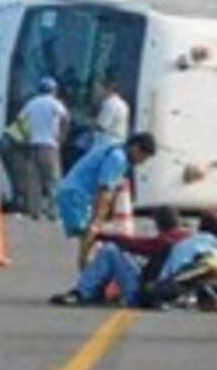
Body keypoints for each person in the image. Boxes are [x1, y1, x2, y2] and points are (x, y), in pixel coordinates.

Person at [48, 205, 190, 307]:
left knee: (111, 252)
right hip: (169, 288)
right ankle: (95, 290)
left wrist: (101, 236)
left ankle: (82, 292)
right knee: (128, 258)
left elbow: (134, 244)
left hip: (143, 291)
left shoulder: (165, 241)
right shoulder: (188, 240)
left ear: (159, 225)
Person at [57, 132, 158, 268]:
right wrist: (98, 217)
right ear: (136, 148)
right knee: (92, 230)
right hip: (77, 193)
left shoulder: (114, 148)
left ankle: (86, 267)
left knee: (91, 233)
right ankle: (85, 270)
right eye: (143, 157)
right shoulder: (118, 158)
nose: (142, 162)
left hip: (74, 190)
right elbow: (105, 189)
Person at [18, 77, 69, 220]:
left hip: (34, 145)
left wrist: (26, 136)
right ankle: (53, 212)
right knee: (53, 180)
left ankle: (35, 212)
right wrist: (62, 136)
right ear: (54, 90)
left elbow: (20, 121)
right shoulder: (55, 103)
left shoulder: (32, 103)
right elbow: (65, 118)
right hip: (50, 146)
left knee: (34, 180)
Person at [0, 112, 31, 214]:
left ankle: (17, 203)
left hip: (7, 142)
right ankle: (19, 205)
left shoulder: (32, 115)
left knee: (15, 176)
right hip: (11, 144)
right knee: (19, 176)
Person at [93, 75, 130, 146]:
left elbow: (101, 126)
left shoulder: (110, 104)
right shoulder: (122, 103)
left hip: (107, 143)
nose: (96, 92)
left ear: (108, 90)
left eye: (98, 89)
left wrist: (92, 122)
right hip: (118, 142)